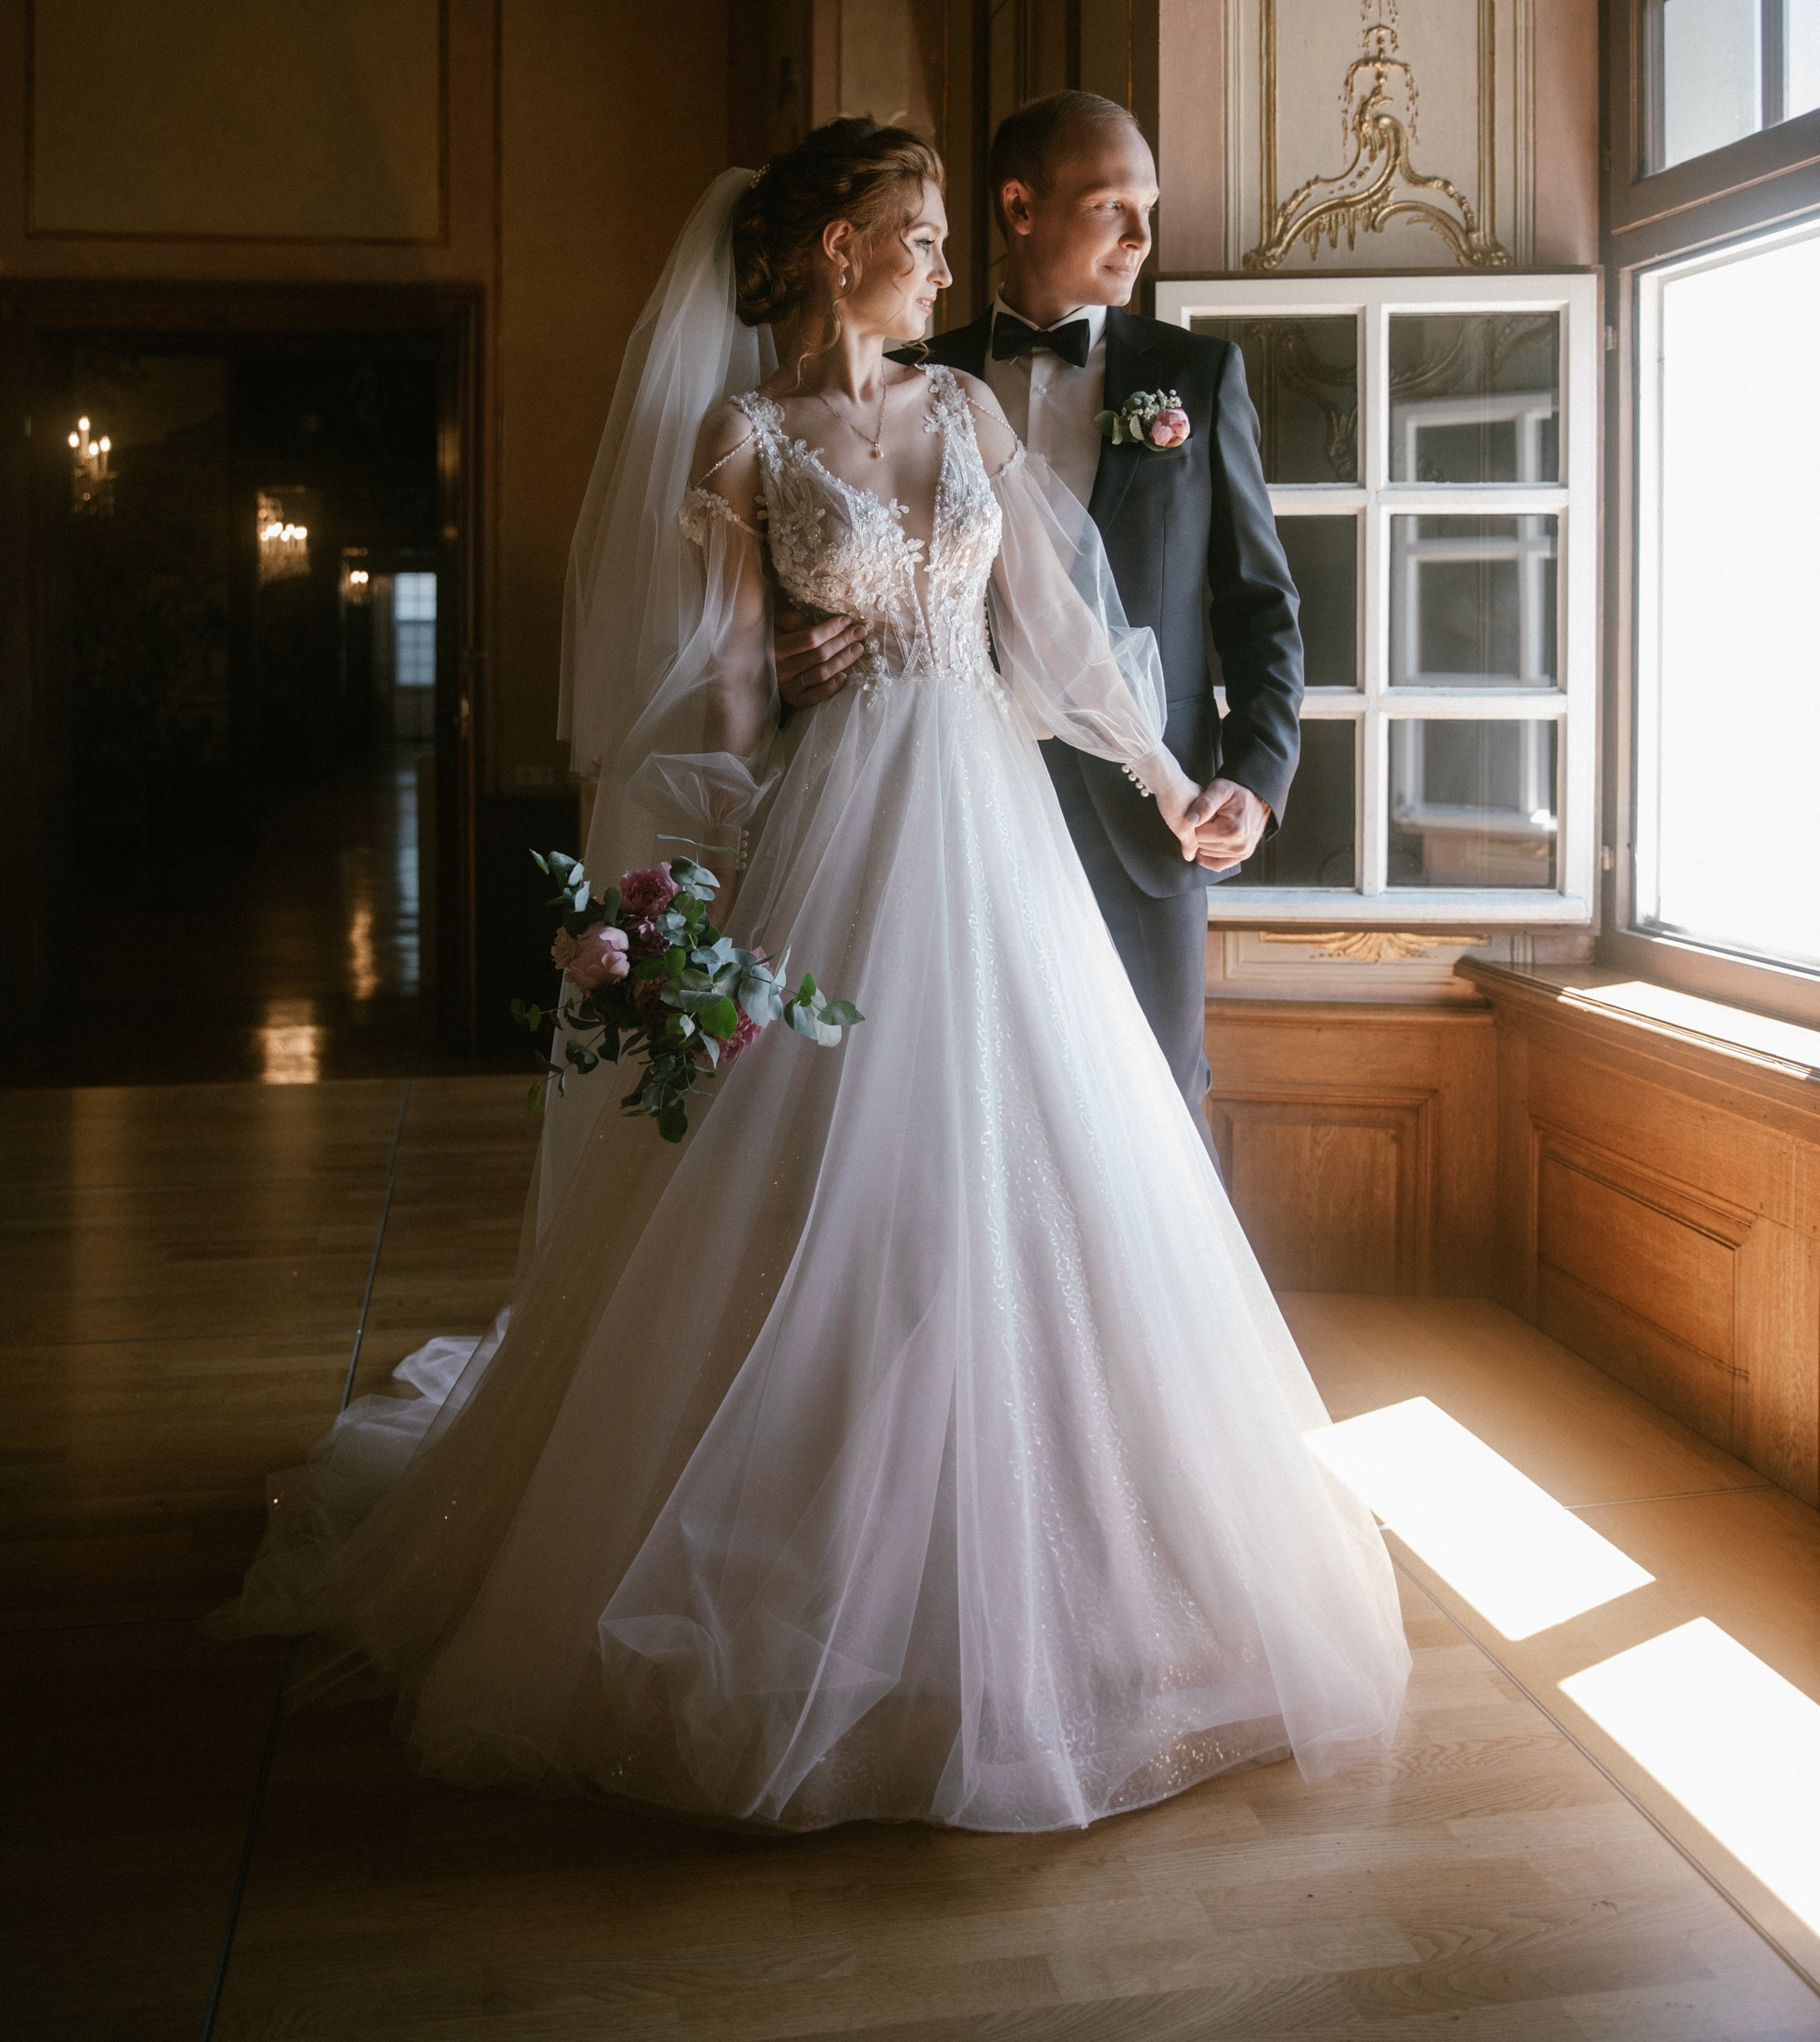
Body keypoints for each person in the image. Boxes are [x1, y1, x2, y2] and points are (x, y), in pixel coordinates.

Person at [207, 121, 1407, 1834]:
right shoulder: (745, 440)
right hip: (839, 841)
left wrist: (1170, 781)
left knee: (1040, 1180)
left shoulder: (969, 412)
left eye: (936, 231)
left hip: (998, 838)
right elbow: (723, 712)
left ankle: (1063, 1559)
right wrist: (696, 873)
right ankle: (822, 1547)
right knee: (825, 1199)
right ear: (835, 249)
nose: (938, 261)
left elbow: (1060, 637)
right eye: (913, 234)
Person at [775, 91, 1300, 1116]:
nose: (1143, 237)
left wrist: (1257, 774)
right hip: (939, 808)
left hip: (1145, 815)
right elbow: (830, 565)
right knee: (954, 1115)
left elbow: (1258, 605)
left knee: (1144, 1121)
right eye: (1114, 206)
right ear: (1020, 207)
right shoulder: (916, 374)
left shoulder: (1194, 375)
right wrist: (793, 658)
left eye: (1147, 207)